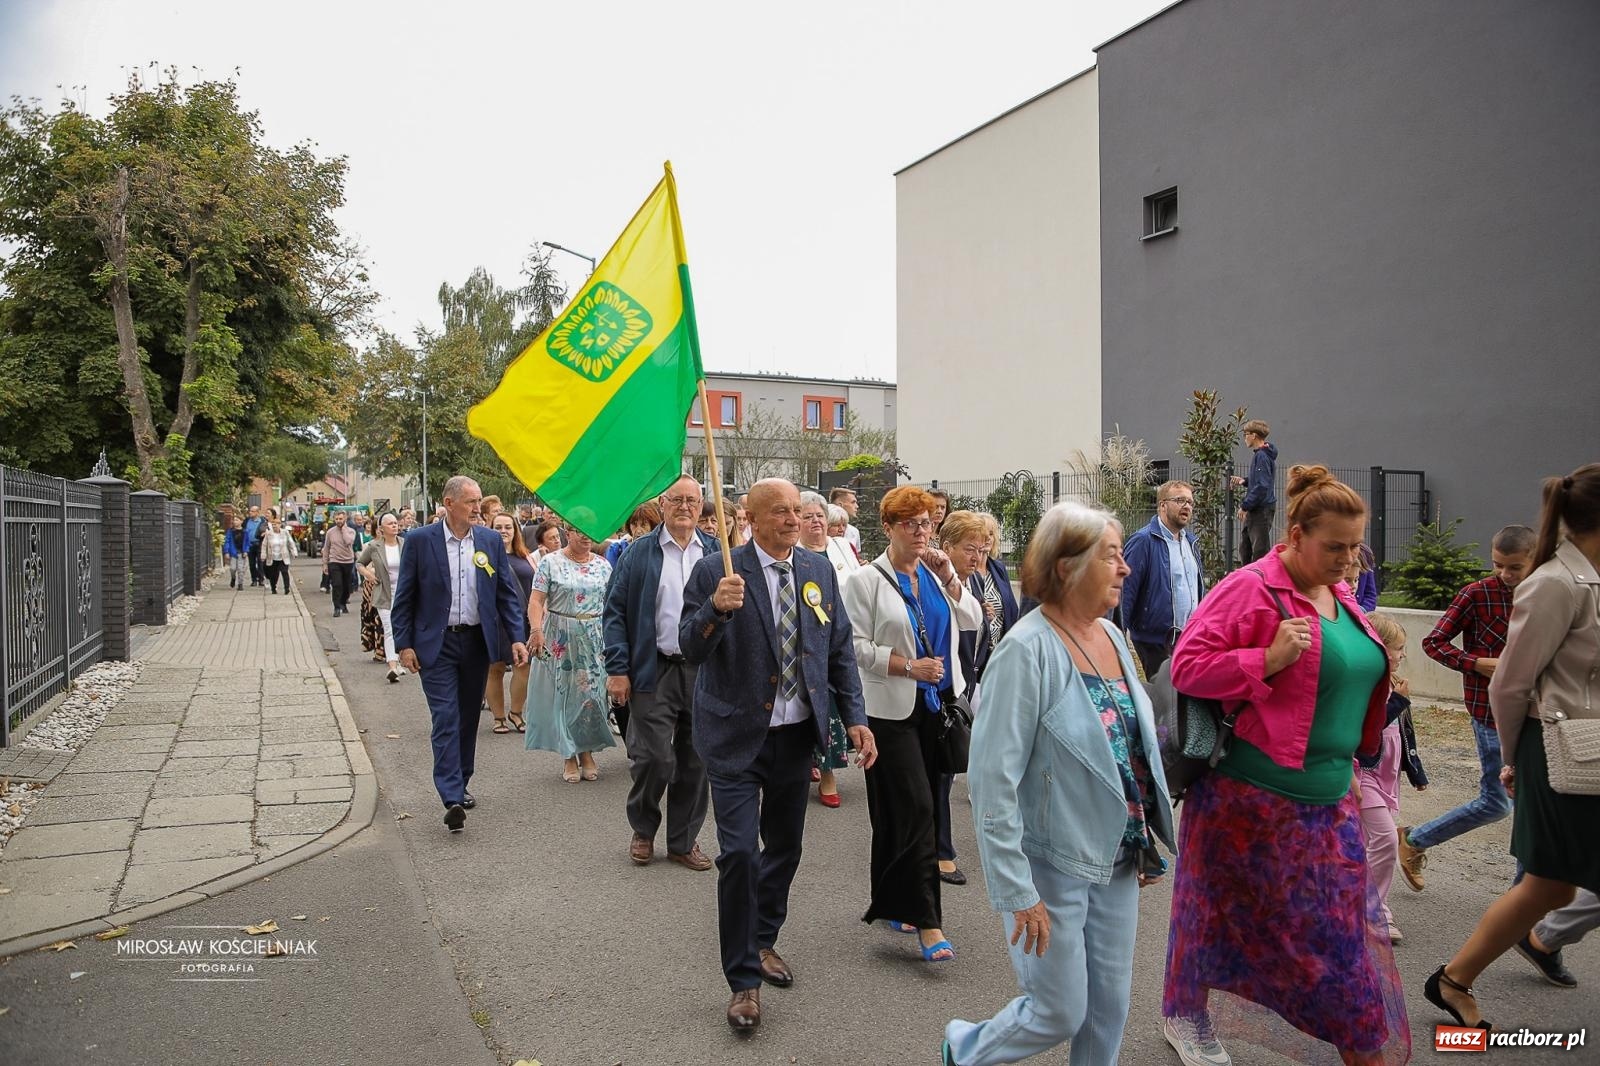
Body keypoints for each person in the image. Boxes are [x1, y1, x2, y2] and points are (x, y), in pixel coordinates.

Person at [1163, 464, 1407, 1066]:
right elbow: (1188, 666)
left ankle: (1360, 1044)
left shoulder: (1340, 590)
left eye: (1355, 548)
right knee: (1215, 918)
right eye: (1335, 547)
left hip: (1330, 799)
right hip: (1248, 800)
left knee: (1340, 940)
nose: (1349, 560)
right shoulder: (1252, 586)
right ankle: (1186, 1015)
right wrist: (1264, 658)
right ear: (1295, 535)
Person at [943, 502, 1175, 1066]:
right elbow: (992, 783)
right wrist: (1017, 891)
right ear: (1067, 565)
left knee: (1108, 1007)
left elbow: (1127, 744)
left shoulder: (1111, 637)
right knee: (1058, 1009)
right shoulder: (1026, 650)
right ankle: (964, 1050)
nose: (1125, 569)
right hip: (1052, 863)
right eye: (1112, 557)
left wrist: (1143, 835)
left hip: (1117, 856)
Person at [679, 477, 877, 1031]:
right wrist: (715, 611)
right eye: (781, 511)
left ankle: (763, 937)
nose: (794, 519)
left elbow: (837, 653)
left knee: (784, 848)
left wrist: (856, 720)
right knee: (740, 853)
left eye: (798, 510)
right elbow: (689, 645)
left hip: (796, 738)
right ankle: (743, 981)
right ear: (752, 517)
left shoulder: (818, 572)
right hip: (735, 734)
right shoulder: (719, 568)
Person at [1425, 464, 1600, 1030]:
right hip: (1561, 752)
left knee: (1548, 883)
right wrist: (1511, 758)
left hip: (1583, 749)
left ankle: (1455, 978)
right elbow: (1510, 684)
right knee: (1547, 881)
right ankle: (1457, 975)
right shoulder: (1555, 583)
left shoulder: (1586, 578)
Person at [843, 485, 982, 964]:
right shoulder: (864, 581)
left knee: (896, 812)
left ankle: (892, 902)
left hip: (935, 706)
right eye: (910, 523)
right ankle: (928, 922)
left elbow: (972, 622)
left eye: (927, 522)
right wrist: (906, 665)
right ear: (888, 528)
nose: (921, 531)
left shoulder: (933, 573)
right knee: (918, 809)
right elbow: (853, 647)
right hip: (888, 710)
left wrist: (952, 579)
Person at [1397, 524, 1537, 890]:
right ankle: (1414, 839)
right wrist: (1475, 663)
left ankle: (1522, 894)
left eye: (1514, 567)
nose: (1505, 574)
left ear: (1534, 561)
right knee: (1497, 802)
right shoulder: (1477, 594)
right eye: (1497, 565)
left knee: (1530, 801)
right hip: (1488, 712)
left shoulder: (1545, 594)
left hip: (1537, 714)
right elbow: (1433, 642)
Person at [390, 476, 529, 833]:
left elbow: (506, 595)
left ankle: (461, 780)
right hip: (435, 644)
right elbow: (404, 596)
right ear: (448, 503)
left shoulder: (487, 541)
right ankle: (450, 795)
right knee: (446, 717)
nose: (477, 509)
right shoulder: (420, 541)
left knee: (468, 716)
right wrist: (403, 644)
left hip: (476, 642)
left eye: (479, 501)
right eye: (470, 502)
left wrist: (515, 637)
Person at [603, 474, 718, 870]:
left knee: (695, 760)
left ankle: (683, 842)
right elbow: (615, 613)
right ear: (663, 505)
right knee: (653, 758)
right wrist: (618, 669)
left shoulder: (718, 554)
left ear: (702, 505)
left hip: (704, 671)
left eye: (692, 500)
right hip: (654, 668)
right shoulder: (639, 553)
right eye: (676, 500)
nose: (685, 506)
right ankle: (643, 828)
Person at [936, 510, 1019, 887]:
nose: (978, 557)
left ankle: (996, 841)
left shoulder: (992, 572)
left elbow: (1008, 615)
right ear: (947, 546)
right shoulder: (941, 583)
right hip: (948, 685)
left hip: (985, 674)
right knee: (944, 769)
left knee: (984, 758)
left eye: (983, 549)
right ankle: (941, 851)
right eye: (970, 549)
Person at [524, 524, 615, 782]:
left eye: (589, 531)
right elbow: (536, 600)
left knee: (592, 696)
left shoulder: (603, 565)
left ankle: (586, 751)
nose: (585, 536)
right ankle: (568, 755)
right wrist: (535, 629)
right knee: (563, 696)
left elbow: (612, 603)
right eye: (579, 531)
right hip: (560, 637)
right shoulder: (550, 563)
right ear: (568, 532)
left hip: (595, 637)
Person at [1357, 613, 1428, 945]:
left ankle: (1351, 905)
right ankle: (1374, 912)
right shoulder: (1366, 686)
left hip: (1386, 779)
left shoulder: (1393, 683)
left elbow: (1405, 734)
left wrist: (1416, 770)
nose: (1402, 655)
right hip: (1363, 774)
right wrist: (1397, 701)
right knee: (1385, 840)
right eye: (1398, 648)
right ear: (1380, 649)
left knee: (1363, 844)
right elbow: (1366, 731)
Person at [798, 490, 857, 808]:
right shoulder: (793, 554)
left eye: (819, 515)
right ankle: (812, 762)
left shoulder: (842, 547)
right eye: (808, 516)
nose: (815, 521)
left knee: (834, 702)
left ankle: (828, 769)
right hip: (806, 642)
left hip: (841, 638)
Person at [1119, 480, 1205, 677]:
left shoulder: (1191, 542)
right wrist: (1118, 637)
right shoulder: (1143, 541)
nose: (1187, 506)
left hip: (1188, 639)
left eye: (1190, 502)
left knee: (1185, 699)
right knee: (1165, 700)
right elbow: (1126, 591)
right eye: (1180, 500)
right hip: (1155, 641)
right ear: (1162, 505)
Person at [486, 513, 535, 734]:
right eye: (498, 527)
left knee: (523, 666)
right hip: (494, 620)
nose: (503, 531)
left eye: (508, 527)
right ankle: (498, 717)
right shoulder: (483, 556)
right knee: (494, 668)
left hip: (521, 619)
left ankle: (516, 712)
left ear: (515, 530)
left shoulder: (525, 556)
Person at [357, 513, 408, 683]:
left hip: (403, 594)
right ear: (381, 528)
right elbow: (359, 563)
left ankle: (399, 661)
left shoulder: (405, 544)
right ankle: (392, 667)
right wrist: (368, 575)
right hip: (384, 593)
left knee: (402, 628)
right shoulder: (374, 546)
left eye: (396, 523)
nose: (395, 526)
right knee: (389, 629)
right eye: (391, 524)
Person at [1229, 419, 1278, 566]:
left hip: (1260, 510)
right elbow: (1260, 480)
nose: (1244, 437)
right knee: (1246, 548)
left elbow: (1262, 486)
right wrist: (1244, 481)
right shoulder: (1261, 455)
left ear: (1254, 436)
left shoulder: (1262, 456)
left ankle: (1260, 582)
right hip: (1258, 509)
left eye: (1246, 434)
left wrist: (1245, 506)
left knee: (1259, 551)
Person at [322, 510, 360, 616]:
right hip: (334, 561)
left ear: (345, 519)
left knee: (347, 586)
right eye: (337, 519)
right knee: (337, 584)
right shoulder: (330, 532)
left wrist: (343, 529)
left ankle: (343, 602)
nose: (338, 521)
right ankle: (337, 607)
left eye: (341, 519)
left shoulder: (351, 531)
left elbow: (348, 541)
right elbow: (326, 548)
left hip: (348, 561)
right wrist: (325, 563)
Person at [606, 501, 661, 568]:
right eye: (634, 525)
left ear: (653, 526)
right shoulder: (616, 550)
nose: (638, 531)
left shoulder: (661, 550)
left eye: (643, 525)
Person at [259, 514, 298, 594]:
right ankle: (273, 588)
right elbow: (264, 545)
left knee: (284, 572)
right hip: (272, 557)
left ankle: (287, 588)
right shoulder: (268, 534)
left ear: (280, 525)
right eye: (273, 525)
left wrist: (294, 552)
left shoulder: (285, 532)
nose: (274, 526)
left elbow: (291, 542)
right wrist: (263, 555)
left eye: (276, 524)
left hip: (283, 556)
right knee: (274, 575)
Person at [831, 487, 862, 554]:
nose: (857, 506)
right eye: (853, 502)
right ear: (840, 505)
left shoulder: (854, 532)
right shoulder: (823, 529)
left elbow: (857, 557)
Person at [243, 504, 267, 586]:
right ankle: (254, 579)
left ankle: (261, 579)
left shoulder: (262, 522)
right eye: (250, 511)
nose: (250, 513)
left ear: (257, 512)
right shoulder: (246, 521)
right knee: (252, 563)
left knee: (260, 563)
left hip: (259, 544)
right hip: (250, 544)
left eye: (252, 511)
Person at [223, 515, 247, 590]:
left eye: (237, 520)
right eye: (234, 520)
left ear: (241, 521)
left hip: (241, 553)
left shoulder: (245, 531)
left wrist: (246, 551)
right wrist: (226, 551)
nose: (235, 521)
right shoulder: (230, 531)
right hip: (233, 553)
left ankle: (240, 584)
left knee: (240, 569)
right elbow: (227, 541)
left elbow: (247, 542)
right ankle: (233, 578)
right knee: (232, 568)